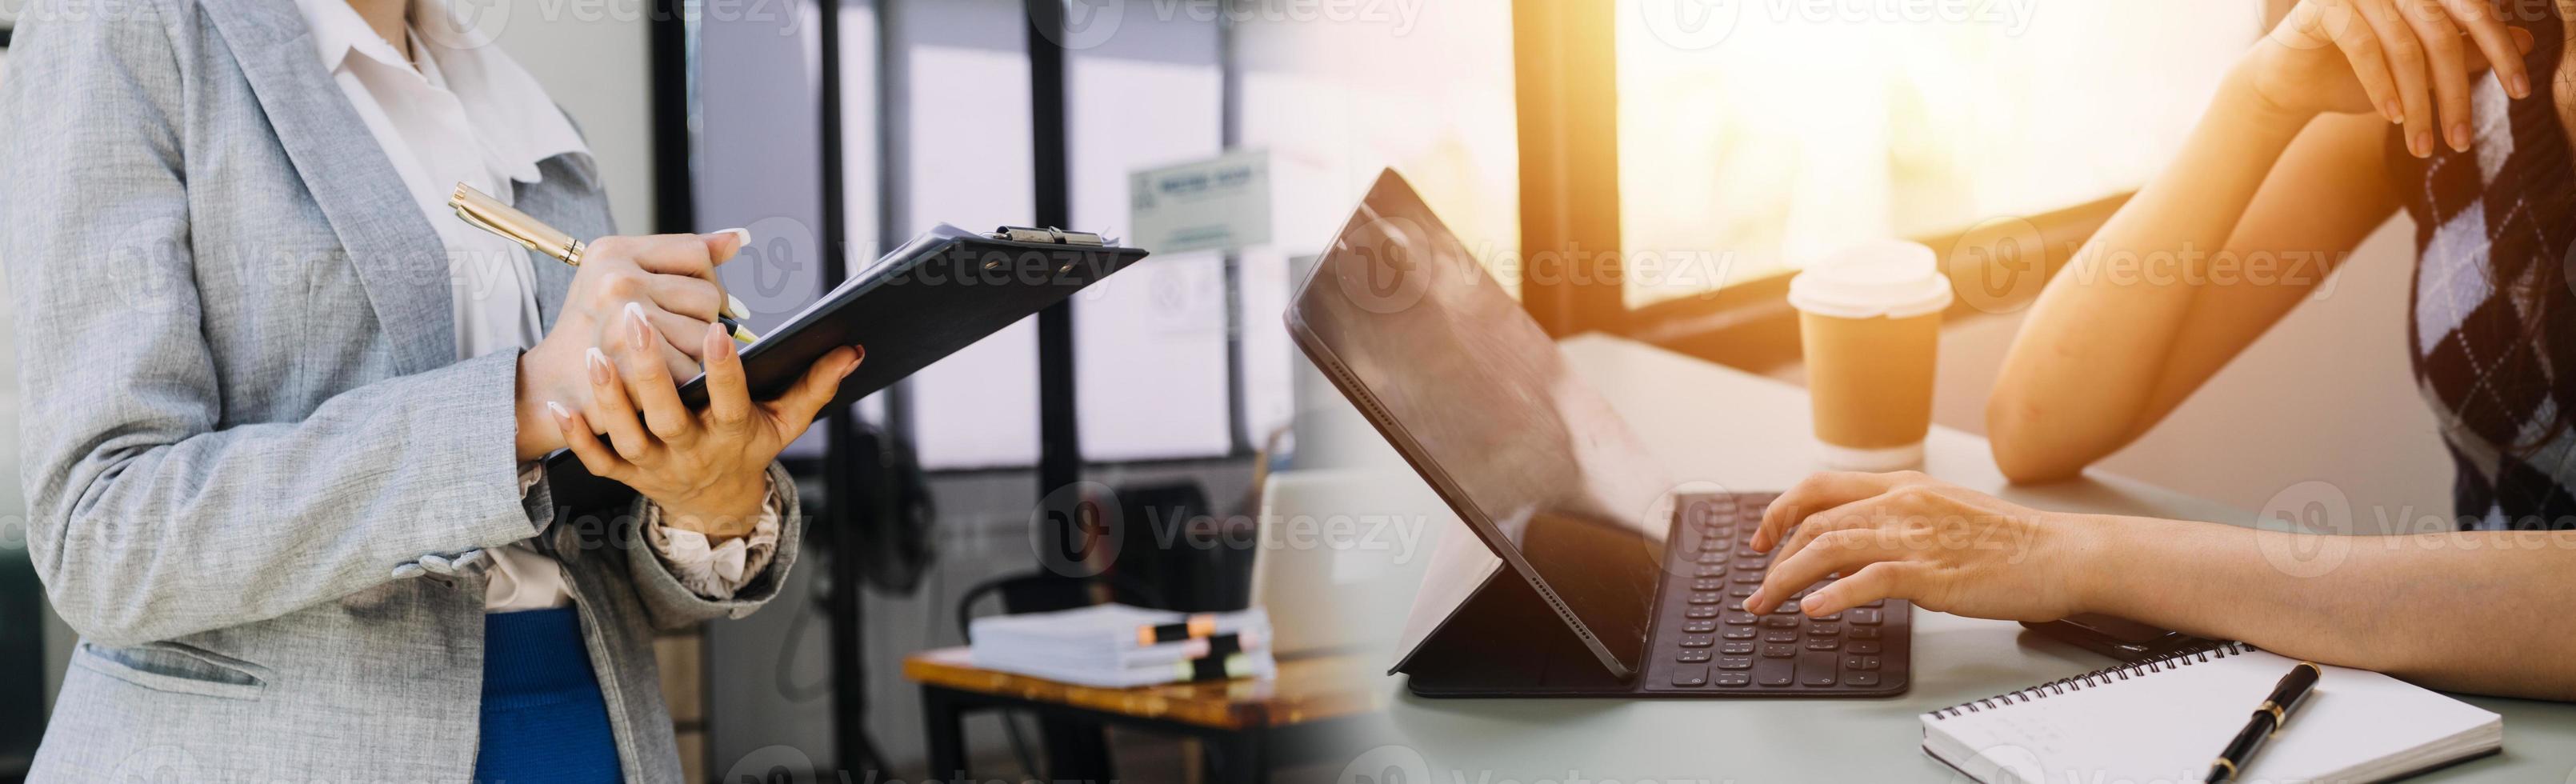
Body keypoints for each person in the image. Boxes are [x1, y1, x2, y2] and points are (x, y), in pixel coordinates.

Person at [0, 0, 861, 780]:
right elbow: (101, 535)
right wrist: (519, 406)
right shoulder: (120, 30)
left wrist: (703, 499)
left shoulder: (523, 113)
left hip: (593, 736)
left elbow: (609, 566)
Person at [1742, 0, 2576, 701]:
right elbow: (2040, 420)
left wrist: (2067, 555)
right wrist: (2260, 97)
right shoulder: (2475, 65)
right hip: (2480, 702)